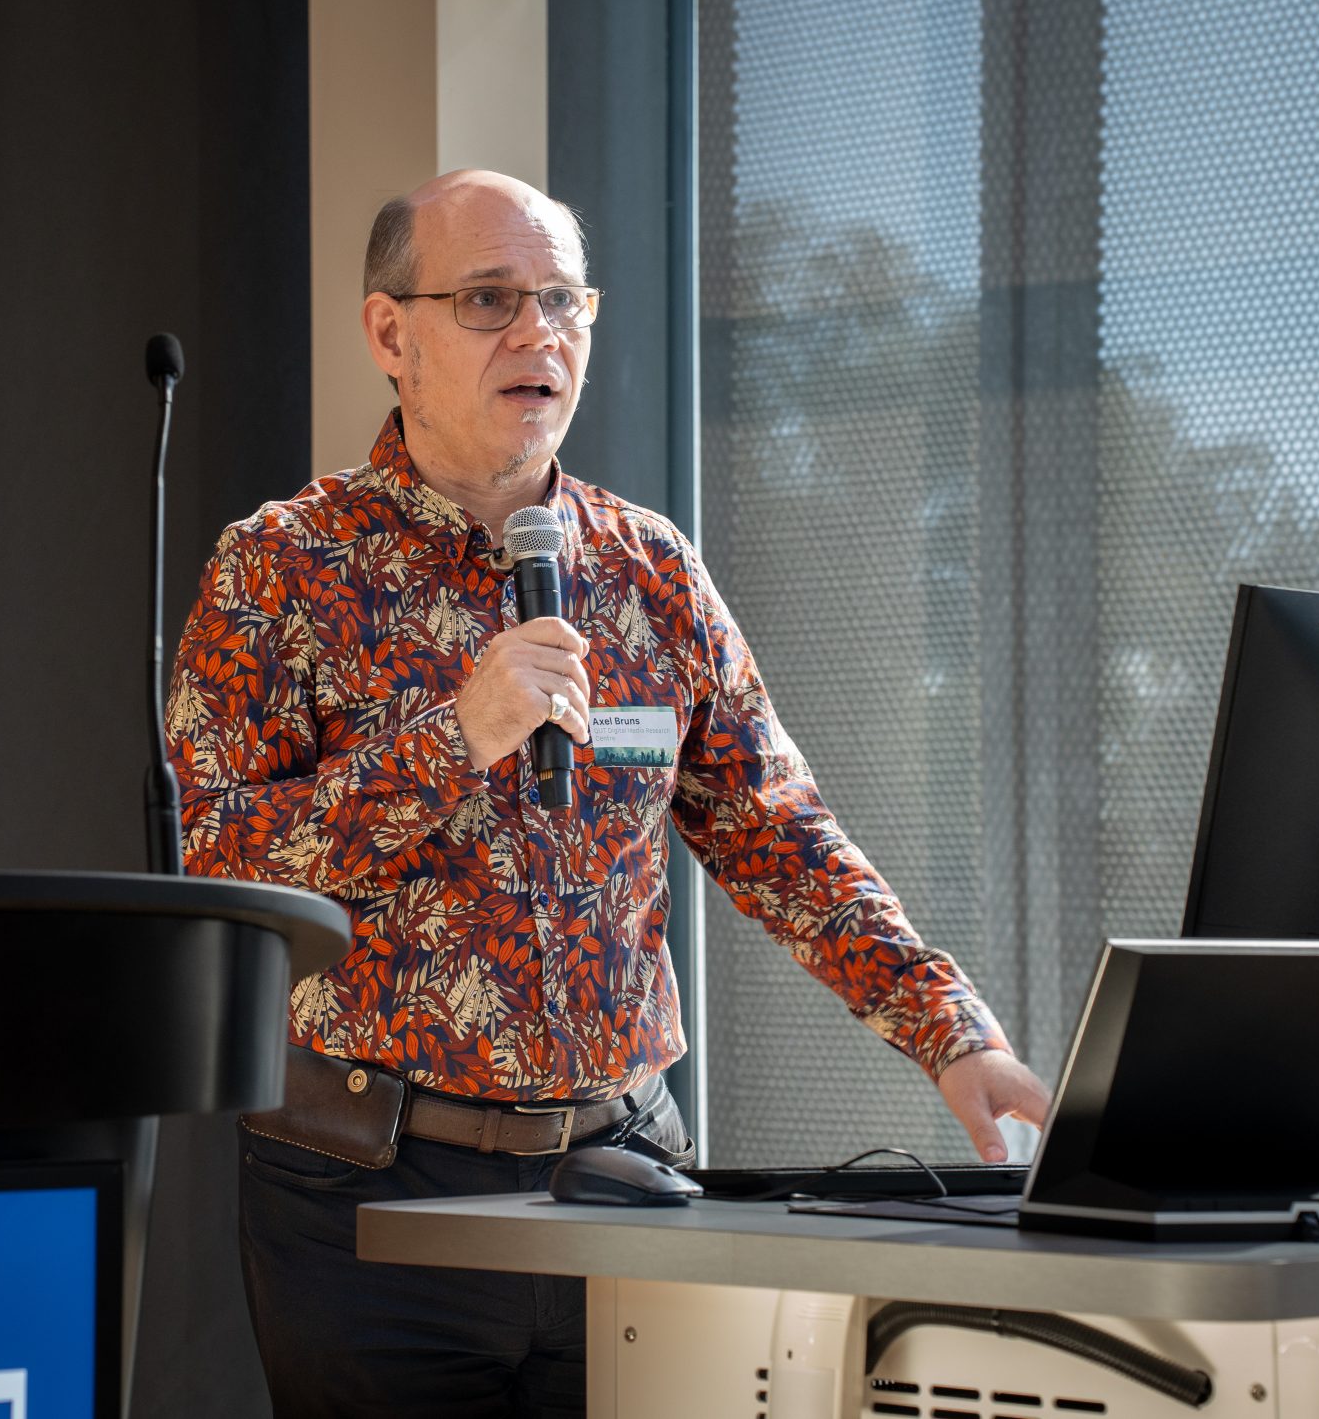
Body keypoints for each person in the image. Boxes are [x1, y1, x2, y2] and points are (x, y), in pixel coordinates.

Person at [166, 168, 1050, 1417]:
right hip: (366, 1200)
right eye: (488, 300)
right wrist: (454, 737)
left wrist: (949, 1032)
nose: (539, 334)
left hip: (625, 1179)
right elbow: (212, 865)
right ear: (389, 333)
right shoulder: (280, 567)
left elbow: (779, 834)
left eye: (563, 300)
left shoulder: (651, 571)